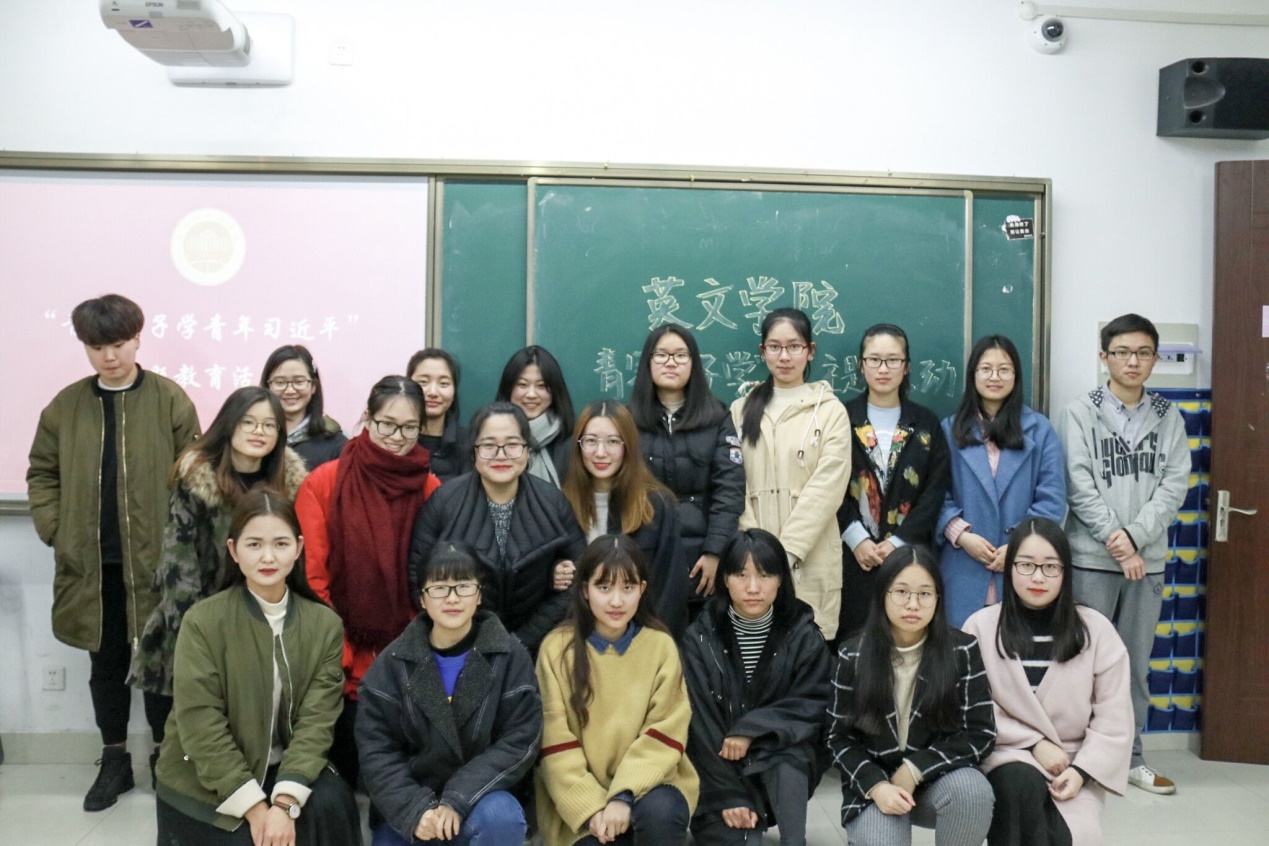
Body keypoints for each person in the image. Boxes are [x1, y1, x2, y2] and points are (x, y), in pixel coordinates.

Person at [26, 294, 201, 811]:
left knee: (161, 665)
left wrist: (182, 546)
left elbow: (196, 476)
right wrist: (56, 529)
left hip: (157, 565)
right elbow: (42, 473)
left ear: (138, 339)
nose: (110, 356)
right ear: (85, 346)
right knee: (106, 665)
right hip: (92, 566)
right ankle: (115, 760)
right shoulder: (66, 407)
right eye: (97, 346)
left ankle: (166, 760)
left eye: (119, 344)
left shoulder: (169, 400)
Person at [154, 489, 360, 845]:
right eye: (254, 544)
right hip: (206, 777)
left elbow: (317, 721)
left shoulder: (324, 625)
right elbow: (200, 723)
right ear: (234, 551)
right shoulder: (203, 622)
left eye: (280, 544)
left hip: (285, 767)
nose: (268, 556)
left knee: (334, 804)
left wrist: (284, 802)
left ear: (298, 548)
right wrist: (255, 809)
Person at [1053, 313, 1190, 796]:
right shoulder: (1079, 412)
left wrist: (1134, 538)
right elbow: (1078, 483)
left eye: (1143, 353)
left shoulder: (1168, 416)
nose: (1133, 361)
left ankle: (1131, 759)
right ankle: (1075, 757)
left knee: (1134, 664)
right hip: (1090, 558)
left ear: (1154, 358)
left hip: (1145, 563)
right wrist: (1117, 539)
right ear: (1104, 356)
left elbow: (1174, 486)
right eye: (1123, 352)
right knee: (1079, 659)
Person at [294, 375, 442, 789]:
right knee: (342, 774)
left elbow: (432, 575)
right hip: (338, 650)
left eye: (409, 428)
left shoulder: (430, 488)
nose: (397, 437)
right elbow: (312, 579)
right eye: (387, 424)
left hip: (409, 651)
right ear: (367, 418)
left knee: (397, 780)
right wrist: (339, 652)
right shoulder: (324, 482)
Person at [357, 541, 542, 846]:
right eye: (440, 588)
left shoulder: (509, 656)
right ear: (422, 598)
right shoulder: (391, 664)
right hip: (410, 811)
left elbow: (520, 738)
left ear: (479, 595)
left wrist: (458, 797)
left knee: (501, 818)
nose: (452, 598)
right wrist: (415, 810)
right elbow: (377, 751)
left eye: (464, 586)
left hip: (479, 802)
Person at [129, 386, 308, 700]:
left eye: (269, 425)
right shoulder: (197, 480)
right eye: (248, 422)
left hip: (264, 625)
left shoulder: (289, 486)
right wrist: (198, 633)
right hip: (200, 620)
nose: (259, 431)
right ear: (229, 423)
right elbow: (178, 565)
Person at [964, 518, 1133, 846]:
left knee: (1070, 834)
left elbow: (1114, 717)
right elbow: (972, 707)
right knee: (1018, 783)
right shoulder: (979, 627)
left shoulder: (1096, 630)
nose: (1038, 577)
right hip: (1006, 752)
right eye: (1026, 565)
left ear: (1066, 572)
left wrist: (1081, 771)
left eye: (1050, 567)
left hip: (1073, 762)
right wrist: (1034, 744)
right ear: (1009, 568)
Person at [535, 535, 700, 846]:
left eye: (628, 587)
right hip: (582, 805)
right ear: (584, 590)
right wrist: (594, 809)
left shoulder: (660, 646)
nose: (616, 601)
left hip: (651, 786)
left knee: (661, 818)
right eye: (604, 587)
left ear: (642, 589)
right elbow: (554, 742)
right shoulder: (556, 649)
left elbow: (665, 732)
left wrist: (623, 797)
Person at [826, 545, 996, 846]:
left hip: (937, 778)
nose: (913, 604)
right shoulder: (854, 654)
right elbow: (837, 738)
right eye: (901, 592)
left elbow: (980, 734)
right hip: (875, 782)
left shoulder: (962, 650)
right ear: (883, 595)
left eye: (925, 593)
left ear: (938, 598)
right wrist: (877, 786)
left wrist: (916, 769)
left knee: (974, 792)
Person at [682, 528, 830, 846]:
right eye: (741, 575)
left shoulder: (804, 635)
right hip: (717, 773)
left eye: (764, 575)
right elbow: (700, 726)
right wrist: (729, 795)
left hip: (774, 759)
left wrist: (751, 729)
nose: (753, 588)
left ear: (781, 580)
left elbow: (814, 704)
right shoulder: (699, 638)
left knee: (790, 758)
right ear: (724, 579)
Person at [409, 402, 587, 654]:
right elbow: (418, 576)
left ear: (527, 450)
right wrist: (465, 637)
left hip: (536, 648)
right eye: (489, 445)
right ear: (474, 452)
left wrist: (522, 641)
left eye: (512, 444)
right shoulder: (444, 501)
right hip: (459, 645)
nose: (501, 455)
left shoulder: (553, 502)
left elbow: (580, 575)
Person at [729, 307, 851, 640]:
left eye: (794, 347)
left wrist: (786, 553)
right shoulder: (740, 410)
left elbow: (828, 487)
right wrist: (756, 552)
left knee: (808, 648)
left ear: (810, 351)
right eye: (775, 347)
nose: (784, 357)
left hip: (811, 556)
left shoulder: (830, 411)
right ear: (762, 351)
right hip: (751, 563)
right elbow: (732, 482)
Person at [936, 334, 1067, 627]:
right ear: (973, 375)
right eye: (986, 369)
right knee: (963, 645)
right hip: (963, 561)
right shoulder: (949, 429)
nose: (994, 377)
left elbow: (1052, 499)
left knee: (1017, 647)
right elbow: (935, 493)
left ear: (1016, 376)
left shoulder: (1040, 430)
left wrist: (1019, 546)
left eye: (1004, 369)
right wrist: (962, 536)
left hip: (1024, 565)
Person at [838, 323, 951, 640]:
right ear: (861, 365)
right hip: (852, 557)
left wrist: (898, 543)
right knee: (856, 641)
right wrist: (856, 538)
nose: (883, 369)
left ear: (907, 366)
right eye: (874, 360)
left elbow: (934, 491)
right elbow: (827, 485)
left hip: (912, 557)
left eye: (893, 360)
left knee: (908, 640)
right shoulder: (840, 418)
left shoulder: (926, 423)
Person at [630, 325, 745, 627]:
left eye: (680, 355)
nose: (671, 362)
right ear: (648, 362)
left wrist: (715, 551)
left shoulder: (717, 418)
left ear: (694, 363)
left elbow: (729, 490)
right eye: (662, 355)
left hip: (701, 561)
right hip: (644, 554)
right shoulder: (627, 420)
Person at [562, 400, 687, 637]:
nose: (600, 452)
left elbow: (671, 590)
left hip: (640, 640)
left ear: (628, 446)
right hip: (578, 637)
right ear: (578, 446)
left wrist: (651, 643)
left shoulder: (656, 506)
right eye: (591, 441)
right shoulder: (561, 504)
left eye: (613, 441)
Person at [495, 346, 575, 487]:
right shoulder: (486, 439)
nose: (531, 394)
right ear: (508, 388)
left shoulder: (573, 444)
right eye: (522, 384)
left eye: (541, 386)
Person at [261, 344, 348, 471]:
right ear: (267, 387)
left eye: (299, 382)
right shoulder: (254, 437)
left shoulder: (336, 444)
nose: (290, 390)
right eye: (280, 382)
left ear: (313, 386)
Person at [408, 347, 469, 481]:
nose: (433, 392)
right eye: (423, 382)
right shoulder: (393, 440)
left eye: (443, 383)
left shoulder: (469, 444)